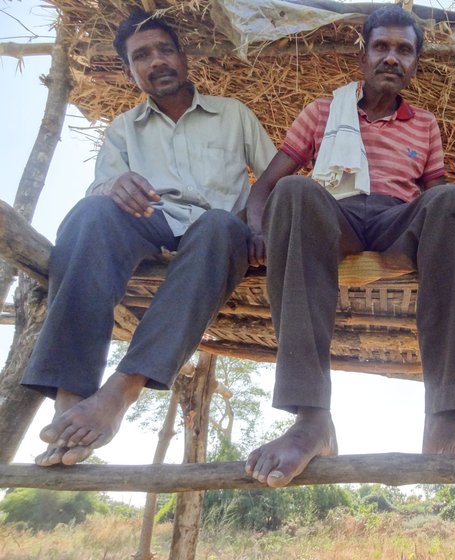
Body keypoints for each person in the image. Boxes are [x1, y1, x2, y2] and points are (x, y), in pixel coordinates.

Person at [244, 6, 455, 488]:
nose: (391, 58)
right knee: (295, 191)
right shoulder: (322, 111)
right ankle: (311, 418)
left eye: (404, 50)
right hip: (333, 217)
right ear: (364, 56)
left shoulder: (424, 124)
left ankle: (445, 419)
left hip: (396, 217)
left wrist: (412, 247)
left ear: (415, 64)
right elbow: (265, 187)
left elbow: (438, 201)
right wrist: (257, 228)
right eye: (382, 47)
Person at [23, 8, 276, 466]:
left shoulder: (233, 114)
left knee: (219, 226)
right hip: (149, 218)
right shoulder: (122, 129)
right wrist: (112, 186)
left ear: (183, 59)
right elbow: (101, 188)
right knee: (89, 215)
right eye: (142, 55)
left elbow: (274, 177)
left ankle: (121, 392)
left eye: (165, 50)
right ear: (129, 71)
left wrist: (255, 224)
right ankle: (71, 400)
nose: (156, 61)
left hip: (218, 229)